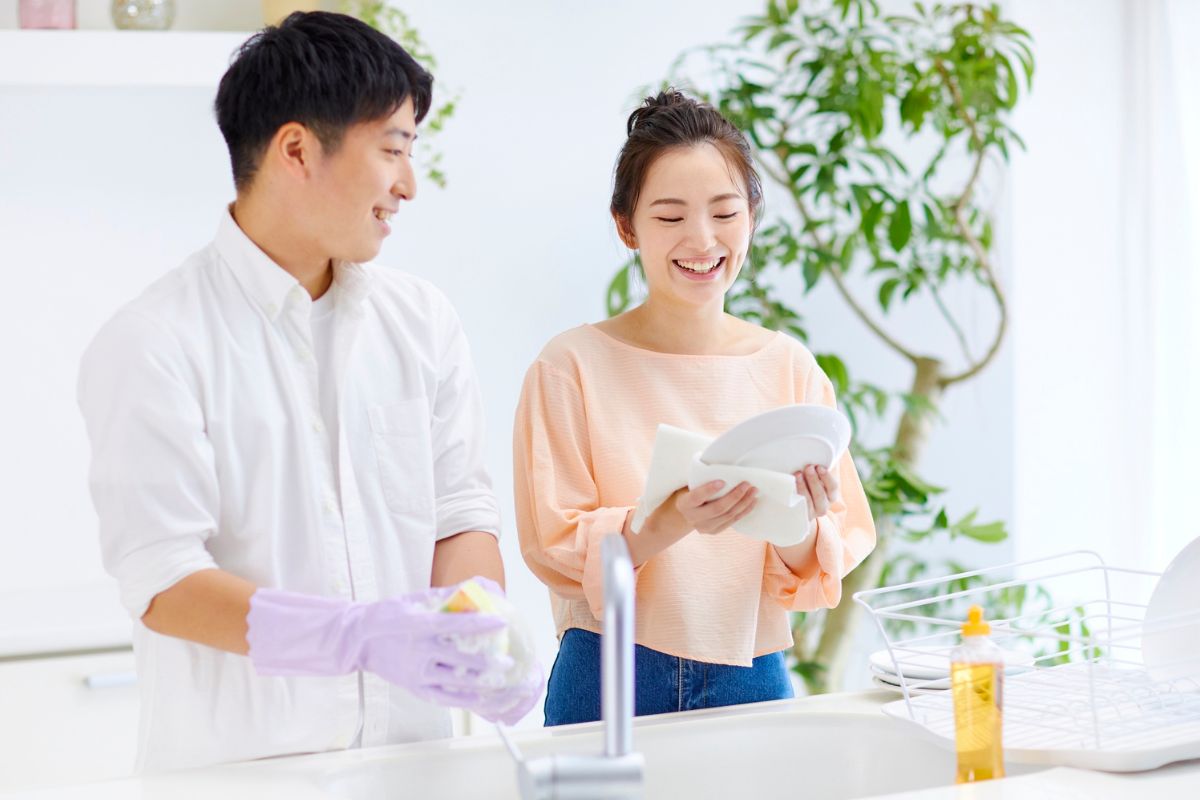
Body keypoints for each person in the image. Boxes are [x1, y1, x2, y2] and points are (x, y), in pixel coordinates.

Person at [76, 11, 540, 773]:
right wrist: (354, 637)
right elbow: (163, 580)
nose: (408, 185)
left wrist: (480, 634)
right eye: (392, 149)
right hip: (243, 777)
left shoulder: (421, 322)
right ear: (296, 150)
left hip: (416, 767)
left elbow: (459, 514)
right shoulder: (156, 341)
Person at [513, 90, 877, 725]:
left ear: (752, 217)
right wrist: (671, 520)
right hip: (609, 669)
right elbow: (555, 546)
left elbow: (817, 565)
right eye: (670, 216)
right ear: (627, 226)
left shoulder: (789, 367)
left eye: (724, 212)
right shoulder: (570, 366)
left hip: (752, 669)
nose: (702, 239)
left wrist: (798, 520)